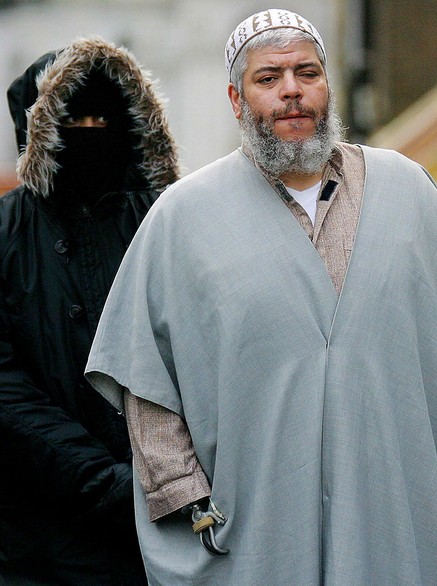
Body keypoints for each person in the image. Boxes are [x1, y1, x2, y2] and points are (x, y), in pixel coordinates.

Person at [84, 9, 437, 585]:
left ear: (328, 85)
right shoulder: (182, 217)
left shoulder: (408, 191)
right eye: (268, 79)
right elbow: (144, 376)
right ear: (236, 98)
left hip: (393, 512)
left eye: (307, 73)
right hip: (253, 526)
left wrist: (427, 470)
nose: (292, 92)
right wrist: (185, 498)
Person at [0, 38, 179, 584]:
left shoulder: (167, 223)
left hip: (164, 533)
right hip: (38, 544)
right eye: (75, 119)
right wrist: (104, 481)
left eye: (106, 117)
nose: (92, 132)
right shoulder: (7, 233)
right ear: (41, 132)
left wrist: (169, 476)